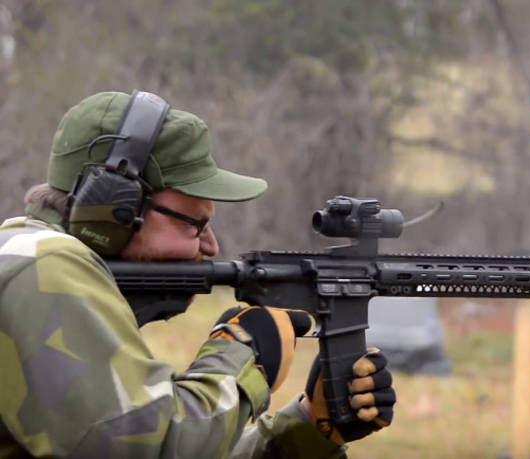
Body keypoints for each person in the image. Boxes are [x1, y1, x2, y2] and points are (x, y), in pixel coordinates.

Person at [0, 91, 396, 458]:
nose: (210, 247)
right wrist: (243, 354)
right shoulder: (42, 263)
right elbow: (142, 447)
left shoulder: (29, 258)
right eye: (194, 224)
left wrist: (310, 428)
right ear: (113, 211)